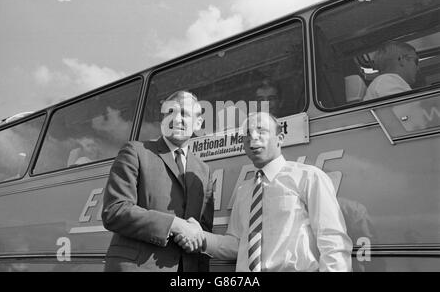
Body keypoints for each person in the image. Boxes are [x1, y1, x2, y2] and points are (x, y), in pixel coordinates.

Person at [175, 112, 352, 272]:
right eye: (247, 135)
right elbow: (237, 245)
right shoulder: (244, 191)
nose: (253, 139)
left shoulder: (309, 177)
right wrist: (200, 237)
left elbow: (333, 241)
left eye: (261, 132)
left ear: (279, 138)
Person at [102, 90, 214, 272]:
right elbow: (115, 211)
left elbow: (204, 229)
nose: (177, 119)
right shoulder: (135, 152)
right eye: (171, 113)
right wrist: (176, 225)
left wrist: (194, 240)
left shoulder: (204, 171)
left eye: (185, 113)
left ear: (198, 123)